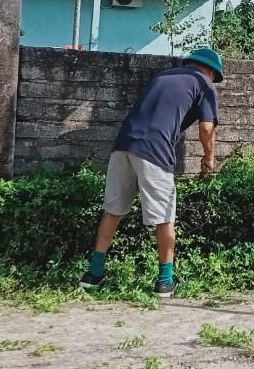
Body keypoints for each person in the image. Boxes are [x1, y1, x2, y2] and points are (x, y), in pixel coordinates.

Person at [79, 47, 224, 297]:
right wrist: (209, 158)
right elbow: (207, 128)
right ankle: (165, 281)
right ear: (210, 71)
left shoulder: (162, 77)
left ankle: (94, 275)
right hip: (155, 151)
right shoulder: (205, 84)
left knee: (113, 211)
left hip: (123, 145)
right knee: (165, 217)